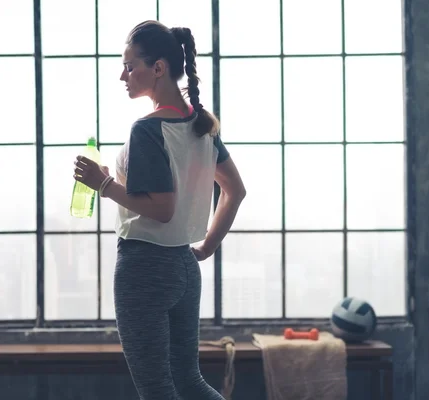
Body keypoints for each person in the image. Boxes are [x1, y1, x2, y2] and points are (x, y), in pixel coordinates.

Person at [73, 20, 246, 400]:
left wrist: (103, 184)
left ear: (159, 68)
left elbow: (162, 208)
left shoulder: (147, 129)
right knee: (189, 382)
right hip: (184, 268)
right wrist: (205, 248)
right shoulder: (200, 125)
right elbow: (235, 191)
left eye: (130, 65)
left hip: (143, 270)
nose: (122, 74)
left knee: (157, 390)